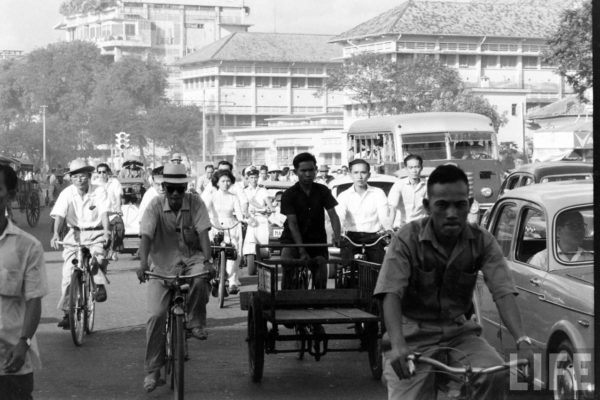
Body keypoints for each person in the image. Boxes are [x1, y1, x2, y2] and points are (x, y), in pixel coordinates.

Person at [375, 164, 533, 400]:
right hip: (411, 336)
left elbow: (503, 291)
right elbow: (391, 292)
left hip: (459, 333)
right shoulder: (407, 238)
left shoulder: (482, 241)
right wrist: (397, 344)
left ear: (469, 204)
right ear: (428, 207)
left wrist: (522, 339)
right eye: (442, 205)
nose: (451, 213)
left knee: (494, 373)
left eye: (459, 205)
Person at [135, 163, 213, 392]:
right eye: (172, 189)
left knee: (201, 279)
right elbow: (146, 237)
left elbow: (204, 233)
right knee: (156, 316)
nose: (177, 194)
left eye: (181, 189)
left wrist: (208, 261)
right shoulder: (154, 206)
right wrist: (141, 264)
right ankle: (153, 370)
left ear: (186, 186)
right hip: (161, 266)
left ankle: (196, 322)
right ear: (165, 188)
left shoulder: (196, 202)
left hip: (191, 260)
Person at [0, 165, 48, 400]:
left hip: (11, 359)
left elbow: (33, 300)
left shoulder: (28, 246)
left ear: (9, 194)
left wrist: (24, 343)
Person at [50, 160, 111, 329]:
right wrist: (56, 233)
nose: (79, 180)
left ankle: (99, 285)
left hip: (96, 232)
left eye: (83, 176)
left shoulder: (99, 191)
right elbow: (59, 216)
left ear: (89, 177)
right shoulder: (67, 193)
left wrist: (106, 231)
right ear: (71, 179)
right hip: (74, 235)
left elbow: (105, 213)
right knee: (68, 274)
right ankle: (68, 312)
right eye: (75, 176)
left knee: (97, 259)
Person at [279, 153, 341, 290]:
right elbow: (292, 224)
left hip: (316, 241)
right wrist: (301, 250)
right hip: (293, 241)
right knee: (288, 262)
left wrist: (337, 236)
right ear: (295, 172)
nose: (308, 174)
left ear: (316, 170)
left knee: (320, 268)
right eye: (303, 170)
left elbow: (333, 215)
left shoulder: (323, 191)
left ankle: (319, 299)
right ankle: (287, 296)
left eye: (311, 170)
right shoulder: (289, 194)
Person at [336, 159, 392, 263]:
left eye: (363, 172)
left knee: (378, 268)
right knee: (347, 266)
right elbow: (340, 216)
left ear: (369, 174)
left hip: (374, 237)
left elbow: (384, 216)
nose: (360, 176)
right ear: (350, 174)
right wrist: (338, 233)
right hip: (351, 237)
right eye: (356, 173)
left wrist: (388, 230)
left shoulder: (378, 193)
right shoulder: (344, 196)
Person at [204, 169, 244, 295]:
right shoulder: (212, 196)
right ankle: (215, 275)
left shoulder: (234, 197)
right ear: (217, 182)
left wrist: (242, 219)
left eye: (228, 181)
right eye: (223, 181)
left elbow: (238, 212)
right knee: (212, 251)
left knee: (234, 252)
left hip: (231, 226)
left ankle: (232, 282)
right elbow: (205, 210)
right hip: (214, 225)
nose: (226, 183)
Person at [529, 210, 593, 267]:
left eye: (581, 226)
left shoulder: (589, 258)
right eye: (573, 226)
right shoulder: (541, 259)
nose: (579, 230)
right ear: (558, 231)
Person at [388, 154, 428, 228]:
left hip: (421, 227)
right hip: (402, 227)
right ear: (406, 169)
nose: (414, 170)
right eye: (411, 167)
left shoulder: (427, 185)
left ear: (421, 168)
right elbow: (393, 207)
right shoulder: (399, 184)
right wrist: (389, 227)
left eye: (417, 167)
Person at [242, 169, 271, 263]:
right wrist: (246, 213)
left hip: (261, 217)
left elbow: (268, 203)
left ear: (258, 178)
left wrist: (268, 207)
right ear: (248, 179)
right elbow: (243, 205)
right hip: (249, 218)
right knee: (246, 235)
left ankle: (264, 252)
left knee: (263, 238)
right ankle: (244, 255)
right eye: (251, 177)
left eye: (255, 177)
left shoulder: (262, 190)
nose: (254, 180)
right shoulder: (244, 191)